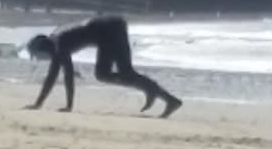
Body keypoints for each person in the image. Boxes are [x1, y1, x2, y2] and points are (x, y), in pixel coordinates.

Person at [24, 16, 182, 118]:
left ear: (44, 49)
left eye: (39, 55)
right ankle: (159, 94)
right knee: (119, 73)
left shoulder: (60, 45)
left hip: (111, 31)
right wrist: (40, 103)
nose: (42, 59)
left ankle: (160, 94)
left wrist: (68, 105)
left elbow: (67, 75)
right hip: (112, 28)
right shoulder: (57, 41)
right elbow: (54, 75)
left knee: (110, 73)